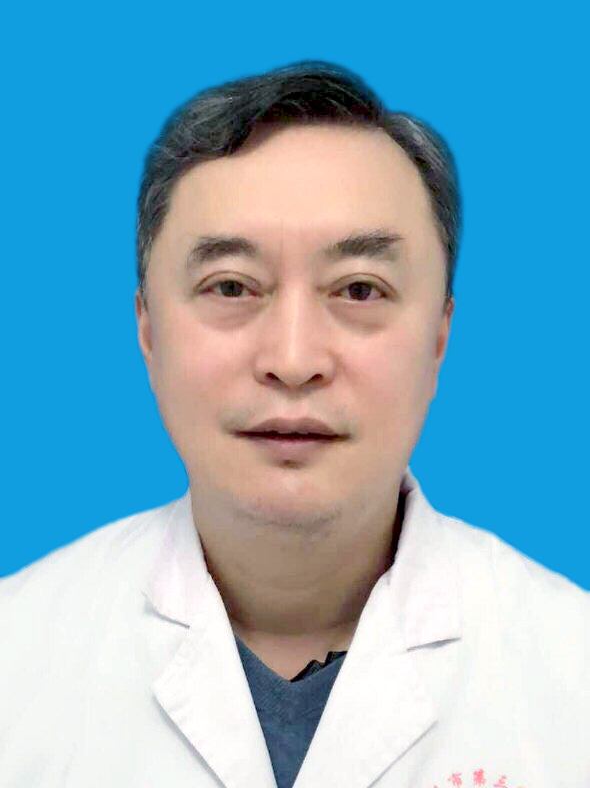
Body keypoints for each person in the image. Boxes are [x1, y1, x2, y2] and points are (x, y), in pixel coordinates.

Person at [0, 61, 587, 788]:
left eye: (360, 289)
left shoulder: (573, 673)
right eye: (231, 286)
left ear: (439, 337)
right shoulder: (17, 658)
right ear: (148, 331)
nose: (293, 360)